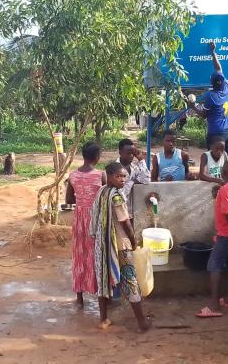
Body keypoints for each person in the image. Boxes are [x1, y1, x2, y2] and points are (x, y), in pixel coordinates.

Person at [90, 162, 151, 332]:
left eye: (124, 176)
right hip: (120, 245)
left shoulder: (102, 191)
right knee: (130, 280)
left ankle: (104, 319)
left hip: (102, 244)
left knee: (102, 279)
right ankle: (142, 323)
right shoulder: (116, 196)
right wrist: (134, 241)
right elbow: (125, 223)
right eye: (118, 176)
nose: (122, 179)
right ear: (108, 176)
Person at [197, 160, 228, 318]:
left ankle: (213, 305)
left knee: (214, 266)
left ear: (222, 173)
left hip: (227, 232)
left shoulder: (224, 191)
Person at [65, 141, 103, 306]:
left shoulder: (73, 176)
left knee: (79, 255)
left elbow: (68, 200)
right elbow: (105, 197)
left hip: (79, 219)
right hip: (96, 219)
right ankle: (102, 295)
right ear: (96, 157)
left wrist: (81, 199)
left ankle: (79, 298)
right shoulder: (100, 175)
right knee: (98, 256)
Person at [185, 41, 228, 154]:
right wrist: (213, 52)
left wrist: (193, 106)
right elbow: (219, 68)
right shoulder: (226, 87)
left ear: (211, 83)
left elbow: (203, 115)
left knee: (213, 162)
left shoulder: (210, 96)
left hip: (215, 133)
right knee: (226, 161)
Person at [116, 138, 151, 220]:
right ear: (120, 152)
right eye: (128, 153)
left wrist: (141, 159)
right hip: (119, 213)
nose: (131, 156)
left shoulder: (134, 167)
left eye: (133, 153)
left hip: (132, 211)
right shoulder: (114, 170)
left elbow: (146, 179)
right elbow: (121, 194)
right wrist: (133, 182)